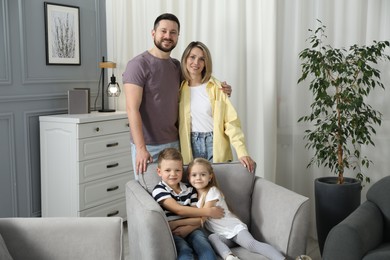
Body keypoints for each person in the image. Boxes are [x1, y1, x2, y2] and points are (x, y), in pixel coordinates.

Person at [123, 14, 232, 178]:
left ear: (178, 36)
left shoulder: (176, 67)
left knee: (177, 192)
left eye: (173, 32)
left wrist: (222, 88)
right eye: (163, 31)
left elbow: (197, 85)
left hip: (176, 143)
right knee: (149, 195)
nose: (168, 36)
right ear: (153, 33)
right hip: (148, 145)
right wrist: (140, 149)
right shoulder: (138, 65)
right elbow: (132, 109)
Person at [187, 158, 286, 260]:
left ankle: (281, 258)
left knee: (252, 244)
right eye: (194, 175)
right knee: (212, 238)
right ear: (189, 177)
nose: (198, 178)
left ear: (210, 176)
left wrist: (180, 227)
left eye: (203, 174)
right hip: (222, 235)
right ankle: (230, 257)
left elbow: (202, 217)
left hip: (235, 229)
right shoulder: (193, 198)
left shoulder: (212, 191)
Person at [179, 41, 255, 173]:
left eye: (202, 59)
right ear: (185, 58)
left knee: (218, 186)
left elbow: (231, 122)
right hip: (190, 144)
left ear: (206, 63)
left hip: (214, 143)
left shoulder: (217, 87)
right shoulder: (180, 88)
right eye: (192, 57)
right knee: (196, 186)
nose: (196, 62)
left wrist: (242, 152)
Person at [152, 148, 224, 260]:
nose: (173, 174)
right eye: (167, 170)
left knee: (205, 247)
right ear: (159, 171)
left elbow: (198, 218)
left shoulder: (189, 189)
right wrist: (209, 211)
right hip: (173, 232)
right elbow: (179, 210)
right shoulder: (159, 190)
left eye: (177, 170)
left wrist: (188, 228)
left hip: (193, 229)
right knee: (184, 250)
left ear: (182, 170)